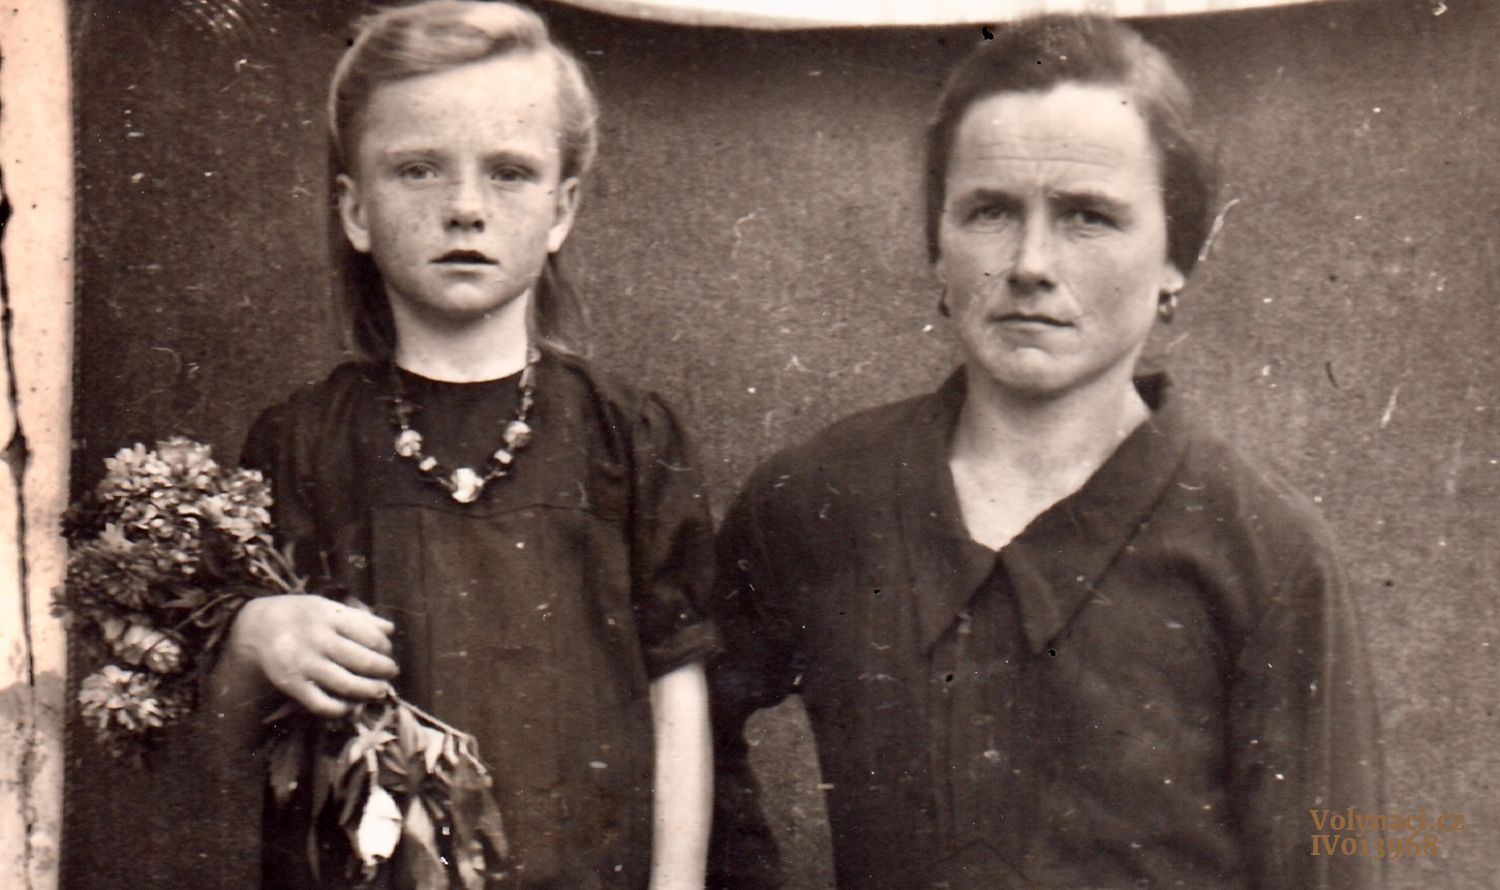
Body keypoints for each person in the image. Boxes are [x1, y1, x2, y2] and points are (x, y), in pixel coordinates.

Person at [707, 15, 1382, 890]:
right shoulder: (822, 499)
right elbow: (674, 723)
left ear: (1177, 256)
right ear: (937, 243)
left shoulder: (1268, 557)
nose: (1029, 263)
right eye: (990, 211)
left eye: (1087, 217)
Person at [205, 3, 716, 888]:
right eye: (418, 170)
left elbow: (678, 700)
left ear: (561, 211)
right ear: (355, 210)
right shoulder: (301, 443)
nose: (466, 208)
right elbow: (229, 740)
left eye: (509, 173)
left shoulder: (626, 435)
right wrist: (253, 640)